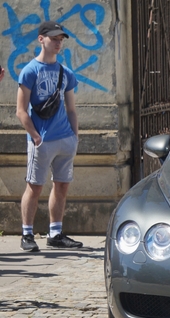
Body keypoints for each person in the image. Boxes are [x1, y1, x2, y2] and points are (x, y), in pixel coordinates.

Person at [16, 21, 82, 251]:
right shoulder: (30, 71)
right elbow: (21, 110)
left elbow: (71, 109)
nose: (58, 42)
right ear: (41, 39)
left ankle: (55, 233)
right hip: (41, 140)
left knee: (62, 186)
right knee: (34, 187)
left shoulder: (66, 73)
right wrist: (34, 136)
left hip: (65, 139)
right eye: (53, 38)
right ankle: (27, 234)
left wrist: (75, 136)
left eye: (60, 39)